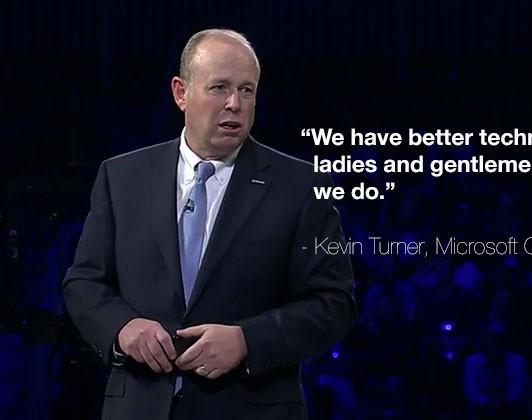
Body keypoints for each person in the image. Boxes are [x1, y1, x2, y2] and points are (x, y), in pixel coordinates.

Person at [62, 28, 356, 420]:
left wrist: (247, 341)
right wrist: (122, 327)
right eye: (219, 88)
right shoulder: (121, 177)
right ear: (181, 92)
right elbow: (84, 282)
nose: (235, 103)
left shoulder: (300, 186)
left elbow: (334, 303)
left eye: (247, 90)